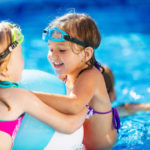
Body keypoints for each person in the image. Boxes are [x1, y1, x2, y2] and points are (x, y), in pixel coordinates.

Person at [34, 13, 120, 150]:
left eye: (62, 50)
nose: (53, 56)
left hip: (107, 146)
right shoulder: (66, 76)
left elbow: (73, 105)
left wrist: (28, 95)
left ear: (86, 54)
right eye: (51, 49)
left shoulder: (91, 76)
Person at [0, 21, 87, 150]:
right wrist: (84, 109)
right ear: (5, 69)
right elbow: (68, 126)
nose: (23, 61)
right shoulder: (17, 96)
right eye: (20, 55)